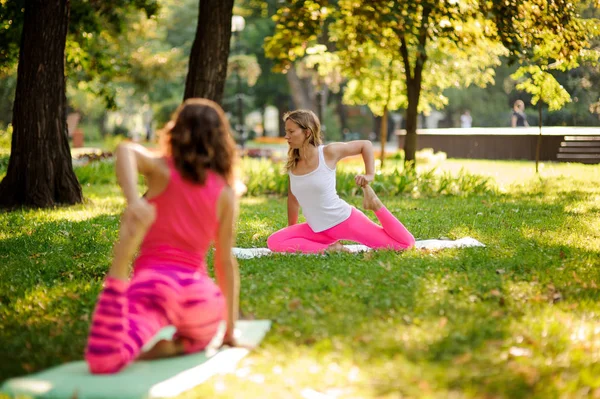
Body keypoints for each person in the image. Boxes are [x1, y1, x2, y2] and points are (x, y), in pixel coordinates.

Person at [85, 98, 241, 374]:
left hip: (155, 289)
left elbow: (125, 150)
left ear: (176, 132)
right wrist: (228, 330)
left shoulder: (161, 170)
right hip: (200, 299)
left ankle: (138, 343)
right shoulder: (225, 193)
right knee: (199, 337)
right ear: (221, 140)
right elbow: (225, 263)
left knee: (108, 357)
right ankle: (181, 346)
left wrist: (134, 201)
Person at [267, 109, 415, 254]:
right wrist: (291, 231)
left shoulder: (328, 153)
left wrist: (369, 175)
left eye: (291, 132)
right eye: (286, 131)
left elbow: (366, 145)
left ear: (307, 132)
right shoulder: (293, 164)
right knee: (274, 241)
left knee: (404, 244)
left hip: (344, 221)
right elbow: (293, 200)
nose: (287, 136)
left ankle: (376, 205)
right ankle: (330, 249)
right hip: (317, 229)